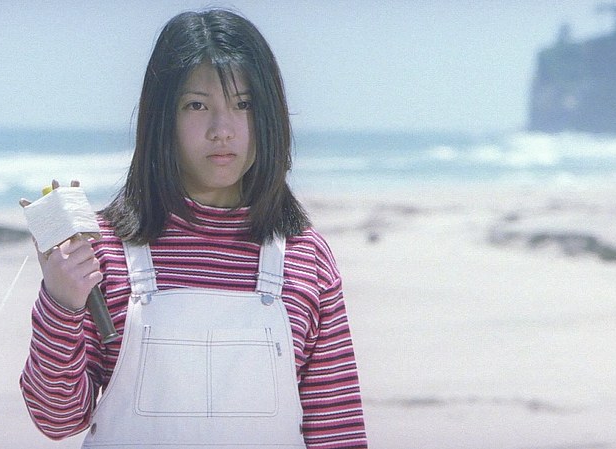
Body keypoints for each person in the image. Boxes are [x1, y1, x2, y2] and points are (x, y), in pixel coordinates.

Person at [20, 8, 367, 448]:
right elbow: (57, 420)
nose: (222, 130)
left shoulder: (306, 256)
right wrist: (60, 304)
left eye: (244, 104)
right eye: (197, 105)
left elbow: (338, 429)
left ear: (270, 116)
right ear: (162, 118)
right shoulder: (104, 250)